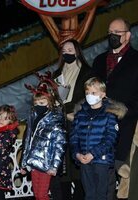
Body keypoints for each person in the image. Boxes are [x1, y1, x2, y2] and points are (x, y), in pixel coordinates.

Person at [91, 17, 138, 199]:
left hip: (127, 127)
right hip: (99, 128)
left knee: (125, 177)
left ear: (128, 35)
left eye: (117, 33)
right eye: (110, 33)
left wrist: (123, 111)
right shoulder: (99, 60)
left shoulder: (136, 60)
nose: (113, 36)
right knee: (101, 178)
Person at [70, 77, 127, 200]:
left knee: (101, 194)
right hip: (84, 160)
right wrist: (77, 154)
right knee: (89, 194)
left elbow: (111, 138)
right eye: (87, 93)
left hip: (102, 160)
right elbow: (74, 137)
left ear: (102, 94)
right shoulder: (80, 115)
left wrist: (93, 153)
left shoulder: (110, 114)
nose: (89, 95)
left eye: (93, 93)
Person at [51, 39, 91, 200]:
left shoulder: (87, 71)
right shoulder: (56, 74)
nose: (67, 52)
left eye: (70, 49)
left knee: (77, 162)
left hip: (77, 120)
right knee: (63, 164)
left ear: (77, 51)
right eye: (64, 50)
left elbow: (91, 96)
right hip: (60, 122)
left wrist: (77, 113)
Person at [20, 73, 67, 200]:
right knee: (38, 195)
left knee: (42, 195)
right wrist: (23, 163)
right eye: (36, 102)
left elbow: (60, 145)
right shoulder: (32, 117)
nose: (38, 105)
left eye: (42, 102)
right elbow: (27, 141)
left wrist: (54, 166)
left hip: (47, 163)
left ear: (49, 101)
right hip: (34, 163)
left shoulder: (55, 120)